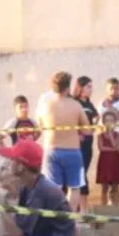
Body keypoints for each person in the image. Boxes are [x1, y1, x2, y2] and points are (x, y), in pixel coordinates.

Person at [39, 71, 89, 212]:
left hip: (51, 151)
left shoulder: (45, 105)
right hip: (72, 151)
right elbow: (87, 130)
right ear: (68, 87)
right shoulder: (76, 105)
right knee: (75, 187)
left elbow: (40, 125)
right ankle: (70, 219)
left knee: (52, 188)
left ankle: (56, 218)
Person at [73, 76, 99, 211]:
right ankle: (83, 208)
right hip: (78, 144)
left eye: (91, 87)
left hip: (89, 142)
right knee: (80, 174)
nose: (91, 89)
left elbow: (97, 116)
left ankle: (80, 207)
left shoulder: (89, 104)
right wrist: (77, 134)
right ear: (81, 88)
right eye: (88, 86)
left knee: (83, 174)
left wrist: (93, 128)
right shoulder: (74, 103)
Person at [96, 111, 119, 206]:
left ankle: (115, 206)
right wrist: (113, 149)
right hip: (104, 161)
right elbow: (101, 148)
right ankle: (103, 206)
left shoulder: (118, 135)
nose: (109, 123)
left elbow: (116, 146)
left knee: (115, 186)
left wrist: (111, 136)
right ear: (103, 122)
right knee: (104, 187)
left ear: (115, 122)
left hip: (114, 162)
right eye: (107, 120)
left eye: (111, 120)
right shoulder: (100, 135)